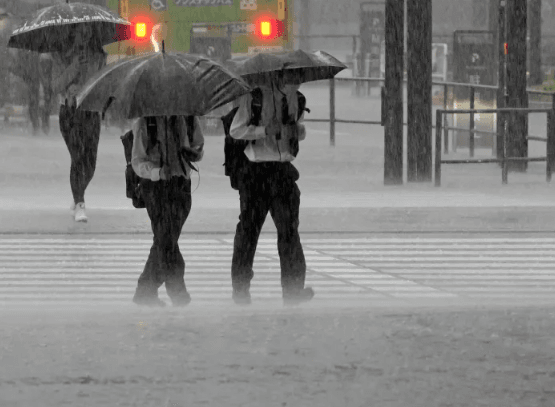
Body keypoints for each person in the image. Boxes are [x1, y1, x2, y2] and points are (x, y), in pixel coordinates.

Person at [225, 73, 314, 306]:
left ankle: (293, 289)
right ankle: (241, 288)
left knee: (289, 231)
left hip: (283, 171)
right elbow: (236, 130)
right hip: (255, 173)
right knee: (248, 232)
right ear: (280, 76)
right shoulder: (253, 98)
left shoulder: (297, 99)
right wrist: (264, 131)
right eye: (295, 76)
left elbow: (299, 130)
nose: (299, 81)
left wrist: (297, 131)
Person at [131, 115, 204, 307]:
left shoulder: (188, 118)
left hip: (181, 185)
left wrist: (194, 153)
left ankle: (151, 291)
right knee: (166, 240)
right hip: (156, 188)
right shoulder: (146, 121)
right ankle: (169, 292)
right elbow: (137, 160)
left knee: (166, 241)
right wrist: (157, 172)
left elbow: (198, 145)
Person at [49, 26, 107, 222]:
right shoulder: (59, 55)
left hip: (90, 112)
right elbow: (55, 85)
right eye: (80, 32)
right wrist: (74, 67)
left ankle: (78, 194)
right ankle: (80, 202)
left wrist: (85, 88)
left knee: (90, 162)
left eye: (88, 31)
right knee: (78, 156)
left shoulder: (98, 56)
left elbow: (102, 83)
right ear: (72, 33)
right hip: (70, 112)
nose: (84, 35)